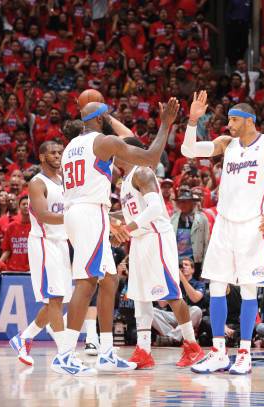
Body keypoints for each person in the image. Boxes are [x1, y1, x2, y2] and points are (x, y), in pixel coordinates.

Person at [60, 99, 179, 375]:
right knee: (87, 281)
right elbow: (150, 157)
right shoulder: (103, 142)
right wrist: (165, 124)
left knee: (110, 280)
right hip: (88, 213)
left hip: (86, 212)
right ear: (101, 119)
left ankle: (106, 352)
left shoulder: (70, 148)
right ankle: (65, 354)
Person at [182, 92, 264, 375]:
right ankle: (219, 352)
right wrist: (192, 121)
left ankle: (244, 352)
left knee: (249, 288)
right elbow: (189, 151)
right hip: (224, 223)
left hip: (253, 225)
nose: (228, 124)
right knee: (217, 286)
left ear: (248, 120)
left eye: (233, 119)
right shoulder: (226, 144)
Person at [116, 136, 204, 369]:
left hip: (156, 237)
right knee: (140, 295)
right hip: (139, 239)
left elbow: (156, 208)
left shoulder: (142, 173)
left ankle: (192, 346)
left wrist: (129, 227)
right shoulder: (124, 181)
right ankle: (143, 350)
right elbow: (132, 214)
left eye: (116, 149)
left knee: (171, 293)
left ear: (127, 151)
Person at [8, 141, 76, 373]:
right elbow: (44, 215)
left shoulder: (64, 181)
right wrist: (74, 217)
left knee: (57, 301)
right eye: (53, 153)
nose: (58, 156)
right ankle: (64, 354)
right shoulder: (37, 183)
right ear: (42, 156)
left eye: (60, 152)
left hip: (61, 242)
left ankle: (24, 338)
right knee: (55, 299)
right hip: (44, 243)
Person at [152, 257, 206, 346]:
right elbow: (162, 304)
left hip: (190, 314)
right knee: (152, 311)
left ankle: (171, 337)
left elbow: (195, 298)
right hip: (174, 314)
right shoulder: (174, 283)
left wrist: (182, 279)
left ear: (193, 270)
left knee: (197, 310)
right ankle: (175, 337)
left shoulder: (199, 284)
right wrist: (167, 279)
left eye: (186, 265)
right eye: (182, 265)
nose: (183, 267)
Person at [0, 195, 31, 272]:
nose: (26, 206)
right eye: (23, 204)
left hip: (31, 271)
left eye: (29, 204)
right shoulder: (11, 227)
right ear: (19, 207)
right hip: (12, 270)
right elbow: (7, 250)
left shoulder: (38, 227)